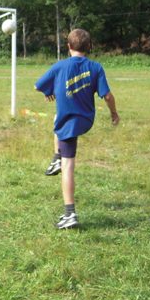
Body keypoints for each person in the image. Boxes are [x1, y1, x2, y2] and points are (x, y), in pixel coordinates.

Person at [35, 29, 119, 229]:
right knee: (56, 120)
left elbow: (38, 85)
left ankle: (69, 214)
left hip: (69, 123)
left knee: (68, 165)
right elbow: (107, 96)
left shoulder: (60, 66)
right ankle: (56, 158)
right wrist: (114, 114)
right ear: (89, 46)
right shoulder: (96, 67)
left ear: (68, 46)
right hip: (86, 120)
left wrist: (48, 91)